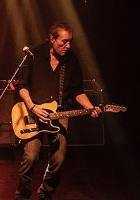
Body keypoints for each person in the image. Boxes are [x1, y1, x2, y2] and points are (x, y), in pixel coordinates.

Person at [15, 22, 101, 200]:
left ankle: (45, 193)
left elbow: (77, 91)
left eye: (70, 41)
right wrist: (32, 107)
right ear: (51, 39)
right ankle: (22, 196)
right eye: (63, 42)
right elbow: (21, 86)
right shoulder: (33, 54)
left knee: (58, 160)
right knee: (30, 157)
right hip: (33, 113)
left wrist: (90, 108)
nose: (68, 46)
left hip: (60, 114)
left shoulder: (71, 60)